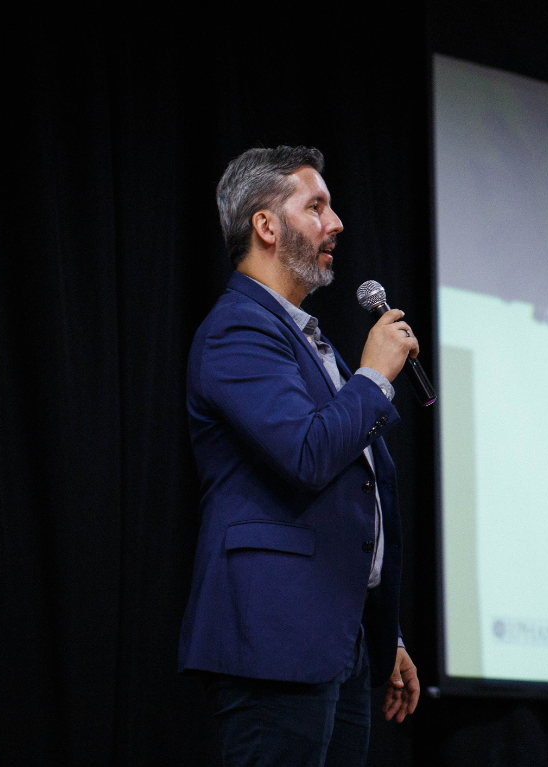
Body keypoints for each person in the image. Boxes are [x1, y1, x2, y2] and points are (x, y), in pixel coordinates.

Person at [178, 146, 420, 766]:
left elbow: (355, 489)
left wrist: (383, 628)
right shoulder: (238, 329)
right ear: (265, 225)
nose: (335, 223)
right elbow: (308, 453)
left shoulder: (310, 339)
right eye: (315, 206)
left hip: (339, 638)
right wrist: (373, 378)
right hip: (275, 637)